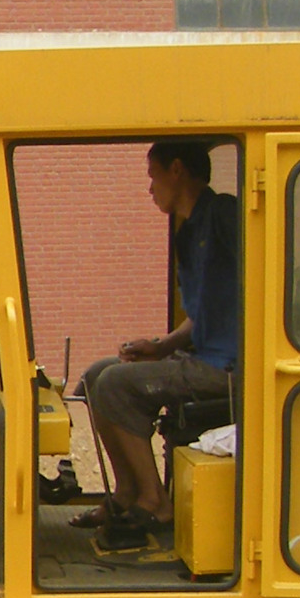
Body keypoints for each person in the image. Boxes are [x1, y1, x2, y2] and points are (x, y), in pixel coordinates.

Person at [76, 141, 240, 549]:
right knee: (97, 375)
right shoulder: (188, 232)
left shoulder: (224, 216)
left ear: (177, 170)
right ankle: (127, 492)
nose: (150, 188)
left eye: (153, 176)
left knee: (117, 384)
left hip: (231, 367)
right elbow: (201, 315)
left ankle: (155, 501)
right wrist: (162, 346)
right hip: (203, 354)